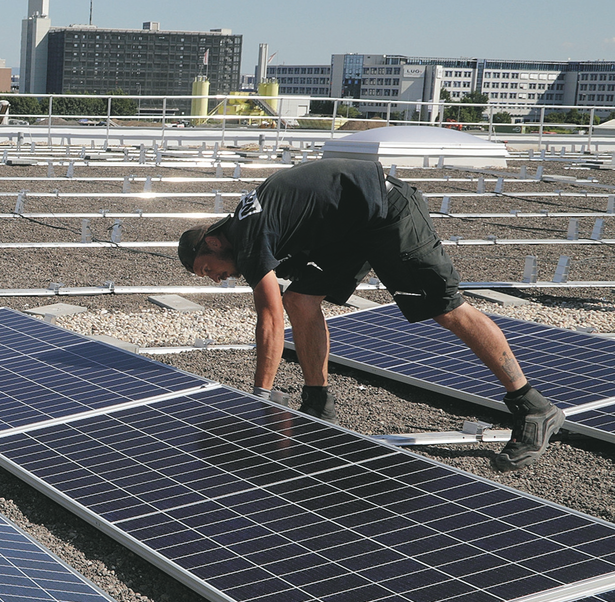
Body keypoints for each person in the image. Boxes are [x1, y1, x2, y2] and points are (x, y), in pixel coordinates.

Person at [177, 157, 563, 470]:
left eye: (208, 270)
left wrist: (260, 395)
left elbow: (270, 318)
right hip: (348, 229)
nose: (216, 279)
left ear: (212, 242)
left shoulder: (249, 236)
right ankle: (317, 403)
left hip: (387, 212)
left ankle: (533, 406)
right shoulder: (243, 232)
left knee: (446, 309)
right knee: (301, 299)